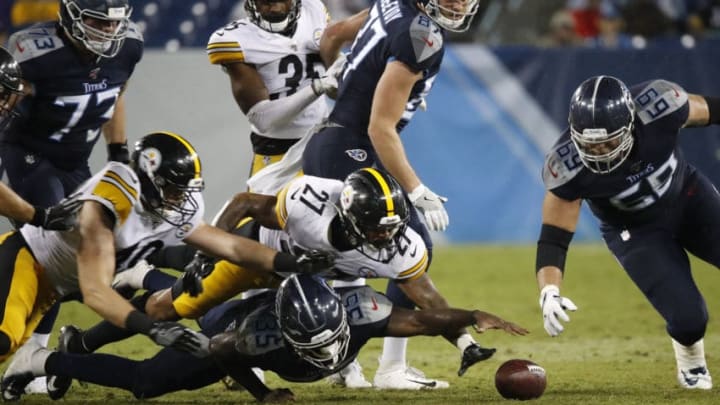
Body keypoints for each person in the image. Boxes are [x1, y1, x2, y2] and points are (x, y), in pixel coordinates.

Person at [0, 131, 333, 400]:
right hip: (28, 263)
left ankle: (34, 360)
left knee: (8, 348)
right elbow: (96, 293)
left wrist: (292, 261)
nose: (182, 199)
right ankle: (137, 276)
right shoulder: (107, 207)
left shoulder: (172, 203)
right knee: (2, 340)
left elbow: (228, 244)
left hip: (59, 284)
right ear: (148, 181)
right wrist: (153, 329)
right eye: (174, 189)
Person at [299, 0, 479, 389]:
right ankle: (387, 368)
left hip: (334, 142)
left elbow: (332, 36)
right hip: (355, 147)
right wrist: (417, 190)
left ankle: (346, 367)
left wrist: (336, 74)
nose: (457, 4)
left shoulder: (392, 4)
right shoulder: (424, 36)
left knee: (344, 259)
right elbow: (381, 127)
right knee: (412, 248)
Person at [0, 274, 527, 402]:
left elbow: (427, 321)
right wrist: (262, 392)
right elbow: (228, 352)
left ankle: (144, 280)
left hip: (273, 313)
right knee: (147, 380)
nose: (325, 351)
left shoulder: (362, 308)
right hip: (231, 324)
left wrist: (474, 315)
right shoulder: (255, 339)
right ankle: (41, 359)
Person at [535, 75, 720, 390]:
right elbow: (554, 239)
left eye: (607, 142)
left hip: (689, 199)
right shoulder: (565, 166)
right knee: (689, 320)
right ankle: (690, 359)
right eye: (589, 144)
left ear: (632, 124)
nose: (599, 152)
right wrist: (549, 291)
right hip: (635, 231)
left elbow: (711, 110)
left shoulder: (660, 106)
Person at [0, 0, 143, 391]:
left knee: (84, 256)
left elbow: (116, 94)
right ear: (70, 15)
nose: (108, 32)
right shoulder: (33, 53)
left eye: (114, 24)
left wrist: (118, 153)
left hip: (76, 162)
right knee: (48, 252)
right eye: (98, 21)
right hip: (28, 157)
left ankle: (38, 351)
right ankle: (31, 352)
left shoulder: (128, 46)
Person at [206, 0, 367, 181]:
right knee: (263, 208)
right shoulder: (235, 39)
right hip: (277, 151)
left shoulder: (313, 9)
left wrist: (339, 70)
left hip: (322, 140)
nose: (274, 5)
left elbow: (332, 77)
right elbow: (263, 119)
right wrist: (317, 87)